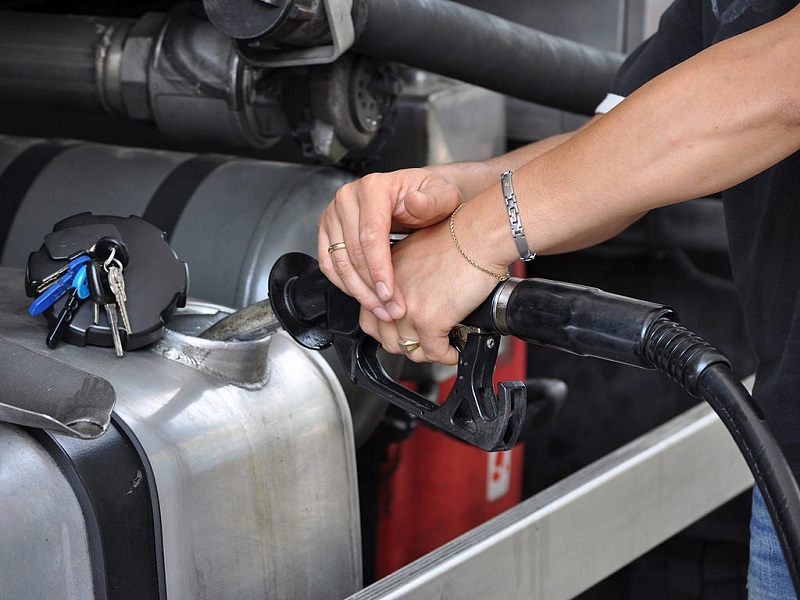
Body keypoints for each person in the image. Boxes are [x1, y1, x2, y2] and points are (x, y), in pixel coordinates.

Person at [318, 1, 800, 597]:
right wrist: (448, 197)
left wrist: (478, 236)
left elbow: (785, 81)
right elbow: (615, 150)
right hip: (788, 465)